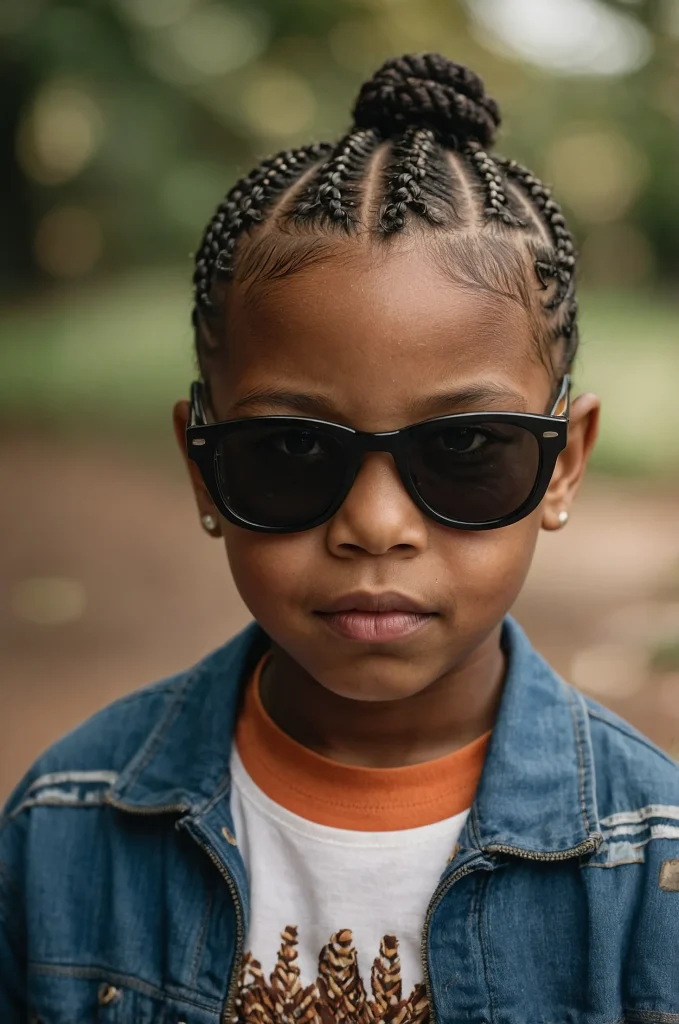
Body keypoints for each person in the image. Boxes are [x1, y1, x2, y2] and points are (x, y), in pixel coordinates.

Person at [2, 52, 678, 1023]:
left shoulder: (653, 860)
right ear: (203, 466)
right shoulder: (63, 824)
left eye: (465, 449)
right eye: (289, 449)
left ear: (563, 464)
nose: (375, 525)